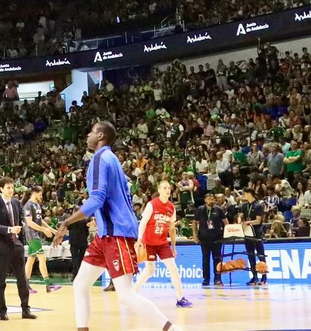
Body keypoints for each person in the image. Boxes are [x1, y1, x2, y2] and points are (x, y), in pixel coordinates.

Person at [56, 120, 180, 331]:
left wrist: (66, 222)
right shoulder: (112, 159)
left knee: (125, 294)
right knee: (80, 284)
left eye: (92, 131)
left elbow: (97, 199)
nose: (88, 135)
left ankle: (172, 329)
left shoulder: (99, 158)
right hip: (106, 234)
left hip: (116, 233)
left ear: (101, 136)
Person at [133, 179, 190, 308]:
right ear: (159, 190)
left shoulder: (171, 207)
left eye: (169, 188)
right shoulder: (152, 205)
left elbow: (171, 228)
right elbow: (143, 222)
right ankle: (133, 292)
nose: (168, 190)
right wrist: (139, 239)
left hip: (162, 243)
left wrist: (173, 247)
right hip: (149, 242)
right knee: (149, 271)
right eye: (164, 188)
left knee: (173, 268)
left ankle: (180, 299)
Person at [0, 177, 34, 321]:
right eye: (8, 187)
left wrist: (20, 239)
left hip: (16, 245)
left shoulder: (16, 203)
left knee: (22, 279)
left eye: (12, 187)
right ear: (1, 189)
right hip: (2, 246)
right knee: (1, 281)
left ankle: (25, 309)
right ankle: (2, 311)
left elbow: (19, 222)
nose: (11, 190)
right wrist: (9, 229)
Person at [21, 186, 61, 291]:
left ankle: (25, 285)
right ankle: (48, 284)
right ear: (34, 193)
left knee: (31, 259)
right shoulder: (28, 206)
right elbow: (29, 223)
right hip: (31, 235)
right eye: (40, 194)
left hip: (36, 234)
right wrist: (44, 230)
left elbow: (40, 220)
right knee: (42, 258)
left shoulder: (37, 205)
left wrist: (52, 229)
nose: (41, 196)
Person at [192, 191, 225, 287]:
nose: (211, 201)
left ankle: (217, 278)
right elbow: (194, 222)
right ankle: (206, 278)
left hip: (217, 238)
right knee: (205, 259)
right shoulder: (200, 209)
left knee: (217, 258)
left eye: (212, 199)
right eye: (209, 199)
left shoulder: (219, 209)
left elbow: (225, 222)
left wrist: (225, 234)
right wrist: (194, 235)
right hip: (204, 238)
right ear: (205, 200)